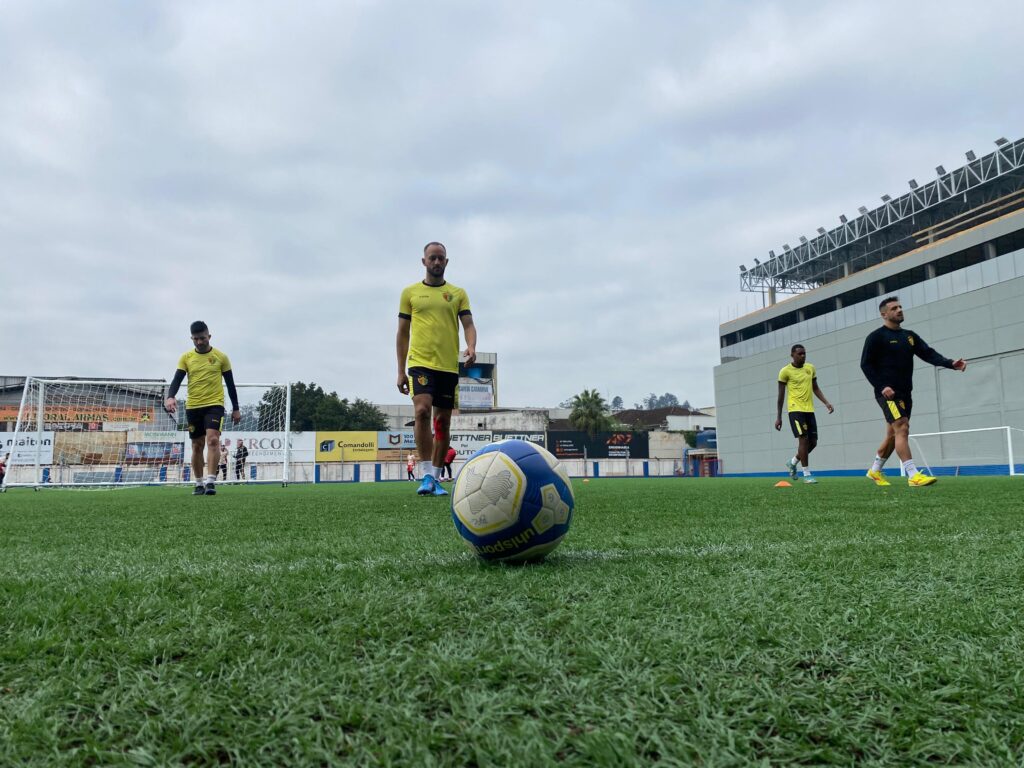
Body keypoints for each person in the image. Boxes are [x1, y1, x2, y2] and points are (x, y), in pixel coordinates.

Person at [396, 241, 476, 497]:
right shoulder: (410, 293)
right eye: (432, 258)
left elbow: (469, 324)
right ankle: (426, 474)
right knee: (421, 411)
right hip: (420, 362)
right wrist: (400, 370)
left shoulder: (457, 293)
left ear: (447, 262)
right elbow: (402, 333)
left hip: (447, 367)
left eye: (441, 258)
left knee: (442, 422)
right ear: (424, 261)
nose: (437, 262)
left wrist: (471, 346)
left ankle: (437, 476)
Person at [860, 296, 967, 487]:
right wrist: (882, 386)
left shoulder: (909, 336)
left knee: (893, 434)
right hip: (887, 393)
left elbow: (928, 353)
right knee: (902, 426)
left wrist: (951, 363)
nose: (900, 310)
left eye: (901, 307)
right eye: (894, 308)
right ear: (884, 314)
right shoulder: (876, 337)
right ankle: (913, 475)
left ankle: (875, 471)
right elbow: (866, 365)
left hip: (905, 392)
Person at [165, 321, 241, 495]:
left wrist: (236, 408)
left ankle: (211, 482)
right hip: (193, 407)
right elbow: (177, 379)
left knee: (213, 440)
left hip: (214, 405)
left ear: (209, 337)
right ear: (192, 338)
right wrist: (170, 396)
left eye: (203, 338)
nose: (200, 342)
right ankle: (199, 483)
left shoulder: (221, 357)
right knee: (197, 445)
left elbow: (230, 385)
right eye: (196, 339)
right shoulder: (186, 358)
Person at [775, 344, 834, 484]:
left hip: (809, 410)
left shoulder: (810, 368)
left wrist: (826, 402)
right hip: (795, 410)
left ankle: (793, 462)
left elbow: (815, 388)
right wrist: (779, 417)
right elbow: (780, 396)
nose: (803, 356)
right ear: (792, 355)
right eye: (800, 354)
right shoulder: (785, 372)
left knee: (813, 443)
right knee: (803, 439)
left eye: (804, 353)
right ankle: (806, 474)